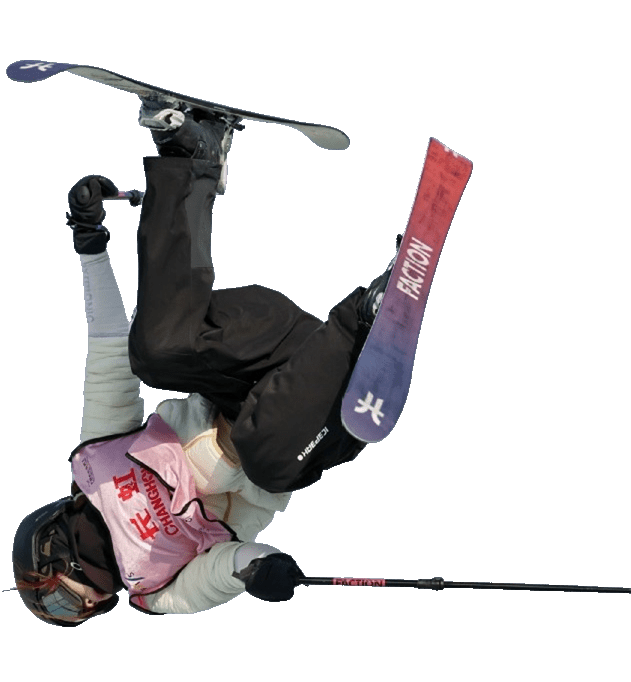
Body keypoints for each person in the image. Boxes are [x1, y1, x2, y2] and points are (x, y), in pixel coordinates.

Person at [12, 98, 397, 626]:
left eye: (62, 603)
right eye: (70, 613)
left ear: (54, 547)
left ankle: (192, 158)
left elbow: (107, 348)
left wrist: (90, 245)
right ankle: (370, 315)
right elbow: (220, 571)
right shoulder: (158, 591)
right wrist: (258, 569)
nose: (80, 609)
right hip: (312, 417)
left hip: (261, 351)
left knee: (153, 353)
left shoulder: (94, 467)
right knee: (265, 460)